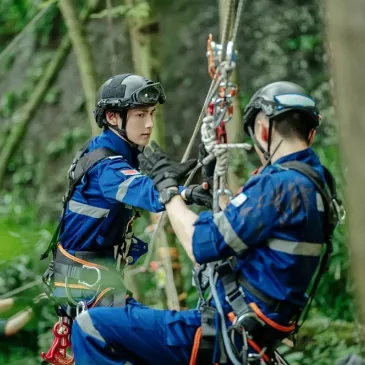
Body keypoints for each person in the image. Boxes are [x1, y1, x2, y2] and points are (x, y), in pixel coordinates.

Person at [71, 81, 342, 364]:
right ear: (310, 133)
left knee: (91, 326)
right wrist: (208, 194)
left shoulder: (279, 185)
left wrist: (168, 190)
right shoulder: (316, 183)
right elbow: (248, 233)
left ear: (263, 130)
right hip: (254, 329)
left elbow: (200, 245)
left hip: (224, 329)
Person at [41, 73, 201, 314]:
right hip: (86, 286)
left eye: (151, 114)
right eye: (140, 115)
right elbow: (146, 192)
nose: (149, 124)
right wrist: (186, 192)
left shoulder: (115, 150)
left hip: (91, 280)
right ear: (112, 117)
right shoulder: (107, 165)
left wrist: (190, 190)